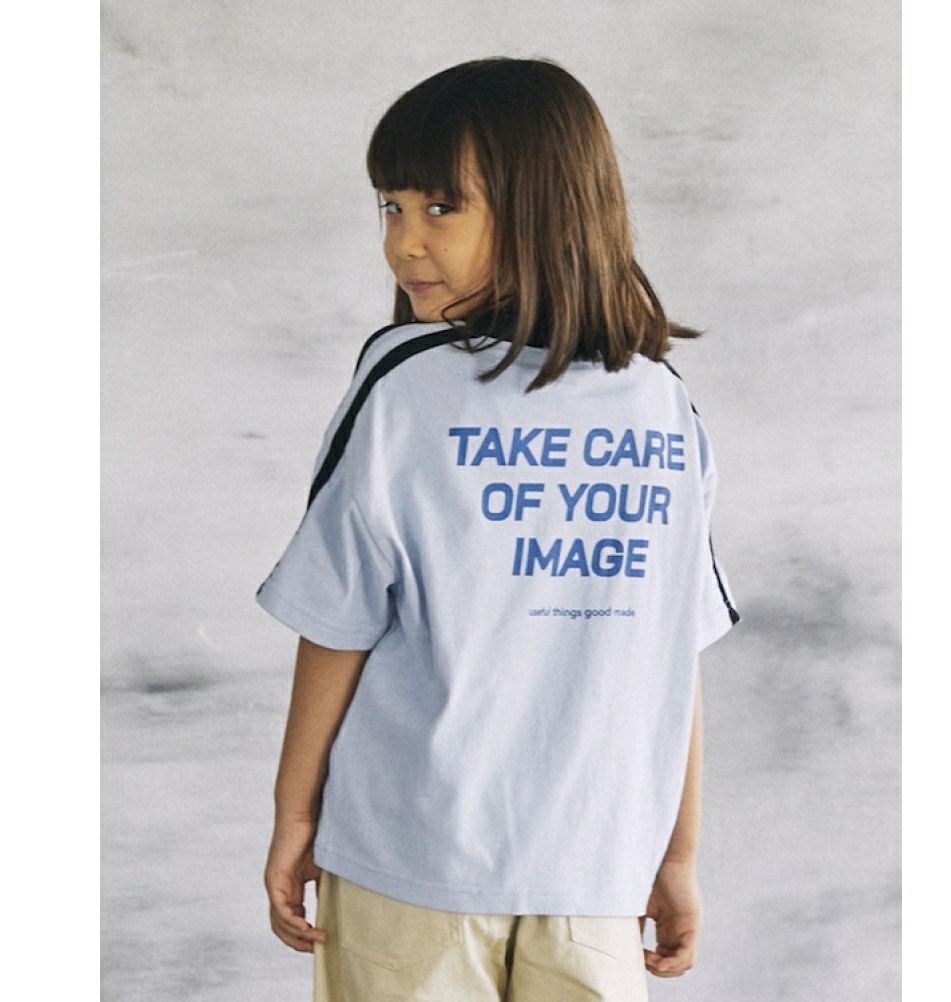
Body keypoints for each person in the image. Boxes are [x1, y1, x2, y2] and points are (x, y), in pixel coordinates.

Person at [256, 56, 740, 1002]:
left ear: (543, 209)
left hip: (412, 859)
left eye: (441, 207)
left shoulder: (404, 383)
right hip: (599, 869)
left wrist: (295, 816)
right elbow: (671, 654)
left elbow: (338, 621)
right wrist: (675, 854)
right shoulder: (663, 404)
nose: (403, 242)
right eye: (390, 206)